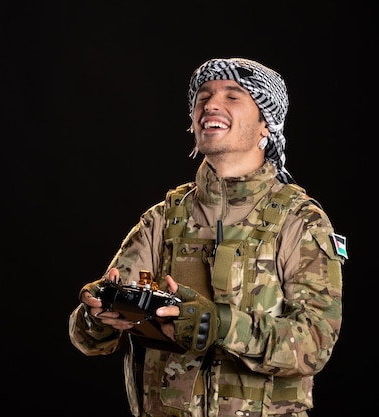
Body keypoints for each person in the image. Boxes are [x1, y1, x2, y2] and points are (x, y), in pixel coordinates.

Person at [68, 57, 347, 417]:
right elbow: (87, 338)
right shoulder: (164, 218)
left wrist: (222, 324)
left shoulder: (299, 221)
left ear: (266, 124)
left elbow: (316, 341)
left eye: (233, 96)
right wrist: (98, 316)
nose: (210, 104)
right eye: (203, 96)